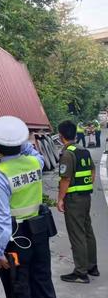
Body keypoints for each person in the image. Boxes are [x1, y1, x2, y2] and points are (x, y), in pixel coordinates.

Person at [0, 116, 63, 298]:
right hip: (40, 236)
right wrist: (24, 140)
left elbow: (0, 220)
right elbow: (32, 150)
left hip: (15, 243)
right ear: (21, 144)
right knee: (44, 292)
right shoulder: (35, 162)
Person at [57, 120, 98, 283]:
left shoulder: (67, 153)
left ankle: (81, 272)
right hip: (85, 196)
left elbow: (65, 178)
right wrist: (85, 185)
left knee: (77, 234)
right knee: (87, 231)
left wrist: (60, 199)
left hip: (73, 200)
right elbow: (92, 170)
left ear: (61, 136)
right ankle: (92, 266)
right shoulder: (83, 150)